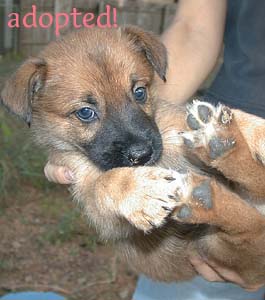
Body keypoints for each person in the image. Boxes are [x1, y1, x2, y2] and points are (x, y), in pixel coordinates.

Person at [44, 0, 265, 298]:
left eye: (138, 93)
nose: (137, 146)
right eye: (85, 113)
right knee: (217, 243)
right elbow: (193, 28)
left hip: (234, 144)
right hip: (196, 253)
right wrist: (115, 188)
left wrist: (250, 130)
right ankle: (234, 207)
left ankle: (235, 200)